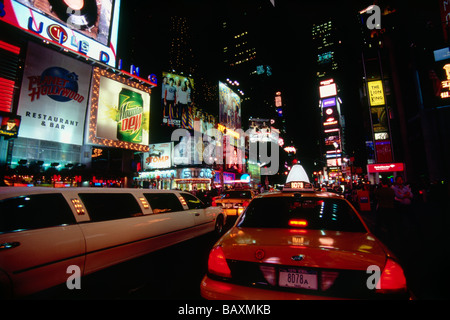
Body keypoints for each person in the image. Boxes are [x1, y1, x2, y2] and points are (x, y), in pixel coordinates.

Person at [374, 178, 397, 245]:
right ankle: (392, 237)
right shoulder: (391, 190)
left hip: (382, 207)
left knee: (379, 224)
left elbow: (375, 196)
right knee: (390, 224)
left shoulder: (379, 190)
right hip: (390, 208)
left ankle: (378, 237)